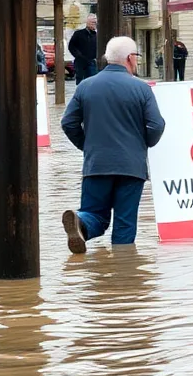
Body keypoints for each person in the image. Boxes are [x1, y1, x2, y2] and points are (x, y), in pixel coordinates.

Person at [59, 36, 166, 253]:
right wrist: (141, 146)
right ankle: (122, 276)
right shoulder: (142, 89)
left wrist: (87, 146)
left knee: (95, 215)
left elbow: (68, 123)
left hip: (96, 164)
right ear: (129, 58)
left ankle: (81, 223)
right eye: (136, 56)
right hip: (131, 167)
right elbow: (156, 125)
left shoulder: (85, 86)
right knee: (124, 224)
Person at [68, 14, 98, 83]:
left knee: (92, 82)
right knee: (81, 82)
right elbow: (71, 46)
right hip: (80, 63)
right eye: (93, 22)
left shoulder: (96, 35)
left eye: (95, 22)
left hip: (92, 63)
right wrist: (79, 56)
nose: (94, 24)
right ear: (87, 23)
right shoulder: (78, 34)